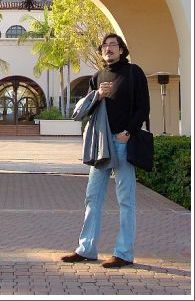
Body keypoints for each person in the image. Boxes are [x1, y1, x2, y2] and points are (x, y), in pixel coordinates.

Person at [62, 33, 150, 268]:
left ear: (122, 50)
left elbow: (144, 107)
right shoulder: (97, 77)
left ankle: (124, 253)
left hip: (122, 141)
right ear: (101, 51)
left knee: (126, 199)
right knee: (93, 197)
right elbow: (86, 111)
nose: (108, 48)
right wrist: (98, 94)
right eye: (105, 46)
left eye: (113, 45)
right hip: (101, 145)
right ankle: (86, 249)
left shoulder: (134, 73)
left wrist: (128, 132)